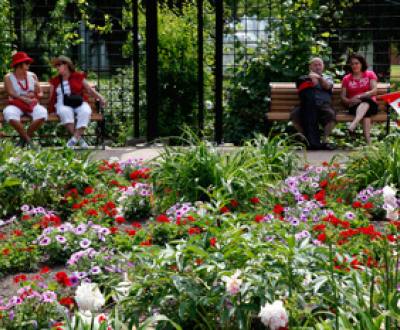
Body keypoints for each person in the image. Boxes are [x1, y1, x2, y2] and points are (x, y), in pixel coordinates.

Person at [48, 55, 106, 148]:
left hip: (78, 101)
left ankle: (74, 139)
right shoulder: (55, 81)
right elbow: (51, 97)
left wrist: (101, 97)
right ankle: (80, 140)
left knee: (85, 111)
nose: (57, 67)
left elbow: (90, 90)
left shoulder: (78, 76)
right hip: (62, 102)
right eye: (56, 66)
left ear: (66, 65)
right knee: (64, 112)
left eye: (59, 65)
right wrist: (51, 110)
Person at [3, 51, 48, 148]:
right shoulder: (8, 77)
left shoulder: (32, 75)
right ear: (19, 65)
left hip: (31, 104)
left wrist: (36, 95)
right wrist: (23, 99)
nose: (29, 64)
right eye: (26, 63)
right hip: (17, 104)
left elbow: (40, 93)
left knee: (42, 113)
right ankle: (28, 140)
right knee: (9, 113)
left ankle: (23, 139)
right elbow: (11, 93)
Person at [290, 57, 336, 150]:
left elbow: (327, 87)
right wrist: (311, 78)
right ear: (310, 67)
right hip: (306, 106)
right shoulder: (304, 78)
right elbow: (310, 86)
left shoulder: (328, 77)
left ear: (323, 66)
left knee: (331, 115)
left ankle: (325, 140)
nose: (318, 67)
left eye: (320, 64)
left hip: (323, 105)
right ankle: (306, 139)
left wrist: (319, 77)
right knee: (294, 115)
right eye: (315, 65)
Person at [341, 53, 378, 144]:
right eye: (352, 64)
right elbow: (342, 96)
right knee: (366, 113)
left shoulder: (370, 74)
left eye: (356, 63)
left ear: (362, 64)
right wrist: (350, 101)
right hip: (354, 107)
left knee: (366, 102)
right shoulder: (346, 79)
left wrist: (360, 96)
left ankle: (353, 124)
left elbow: (374, 91)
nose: (354, 66)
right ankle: (368, 143)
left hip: (371, 104)